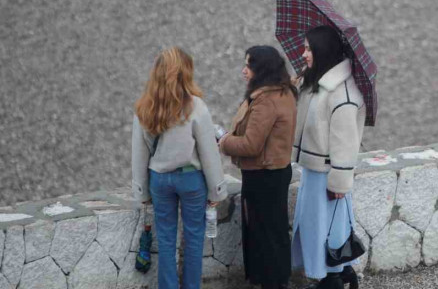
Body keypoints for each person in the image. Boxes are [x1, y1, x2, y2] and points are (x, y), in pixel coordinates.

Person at [131, 46, 228, 289]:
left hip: (159, 179)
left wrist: (141, 192)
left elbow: (139, 154)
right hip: (191, 179)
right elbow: (209, 154)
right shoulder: (196, 106)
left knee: (165, 241)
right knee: (194, 240)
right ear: (185, 73)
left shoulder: (144, 107)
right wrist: (216, 191)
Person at [291, 26, 366, 289]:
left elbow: (345, 144)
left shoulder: (342, 94)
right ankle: (335, 275)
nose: (303, 54)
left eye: (309, 48)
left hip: (327, 178)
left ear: (322, 51)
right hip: (315, 173)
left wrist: (339, 185)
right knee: (319, 230)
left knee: (327, 232)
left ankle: (332, 278)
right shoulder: (319, 85)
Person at [219, 45, 297, 289]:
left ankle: (271, 283)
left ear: (261, 69)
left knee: (265, 235)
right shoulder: (284, 92)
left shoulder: (266, 101)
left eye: (249, 66)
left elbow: (252, 145)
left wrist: (224, 142)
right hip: (275, 172)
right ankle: (277, 281)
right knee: (274, 233)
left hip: (263, 176)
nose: (244, 71)